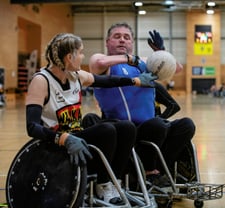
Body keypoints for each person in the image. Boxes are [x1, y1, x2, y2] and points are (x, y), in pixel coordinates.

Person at [25, 33, 157, 204]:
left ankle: (112, 181)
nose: (83, 56)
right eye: (80, 52)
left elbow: (106, 80)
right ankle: (103, 185)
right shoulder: (41, 81)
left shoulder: (76, 75)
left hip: (77, 137)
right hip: (54, 143)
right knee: (106, 130)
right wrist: (63, 138)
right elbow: (32, 127)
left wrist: (136, 81)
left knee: (126, 127)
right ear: (69, 57)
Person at [88, 23, 196, 187]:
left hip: (150, 128)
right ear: (107, 41)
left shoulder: (144, 63)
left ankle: (161, 171)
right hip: (123, 131)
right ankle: (146, 172)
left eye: (127, 37)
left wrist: (161, 52)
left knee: (186, 125)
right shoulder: (105, 62)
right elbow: (98, 63)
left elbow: (177, 68)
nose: (122, 40)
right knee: (156, 125)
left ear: (132, 43)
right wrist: (129, 59)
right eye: (117, 37)